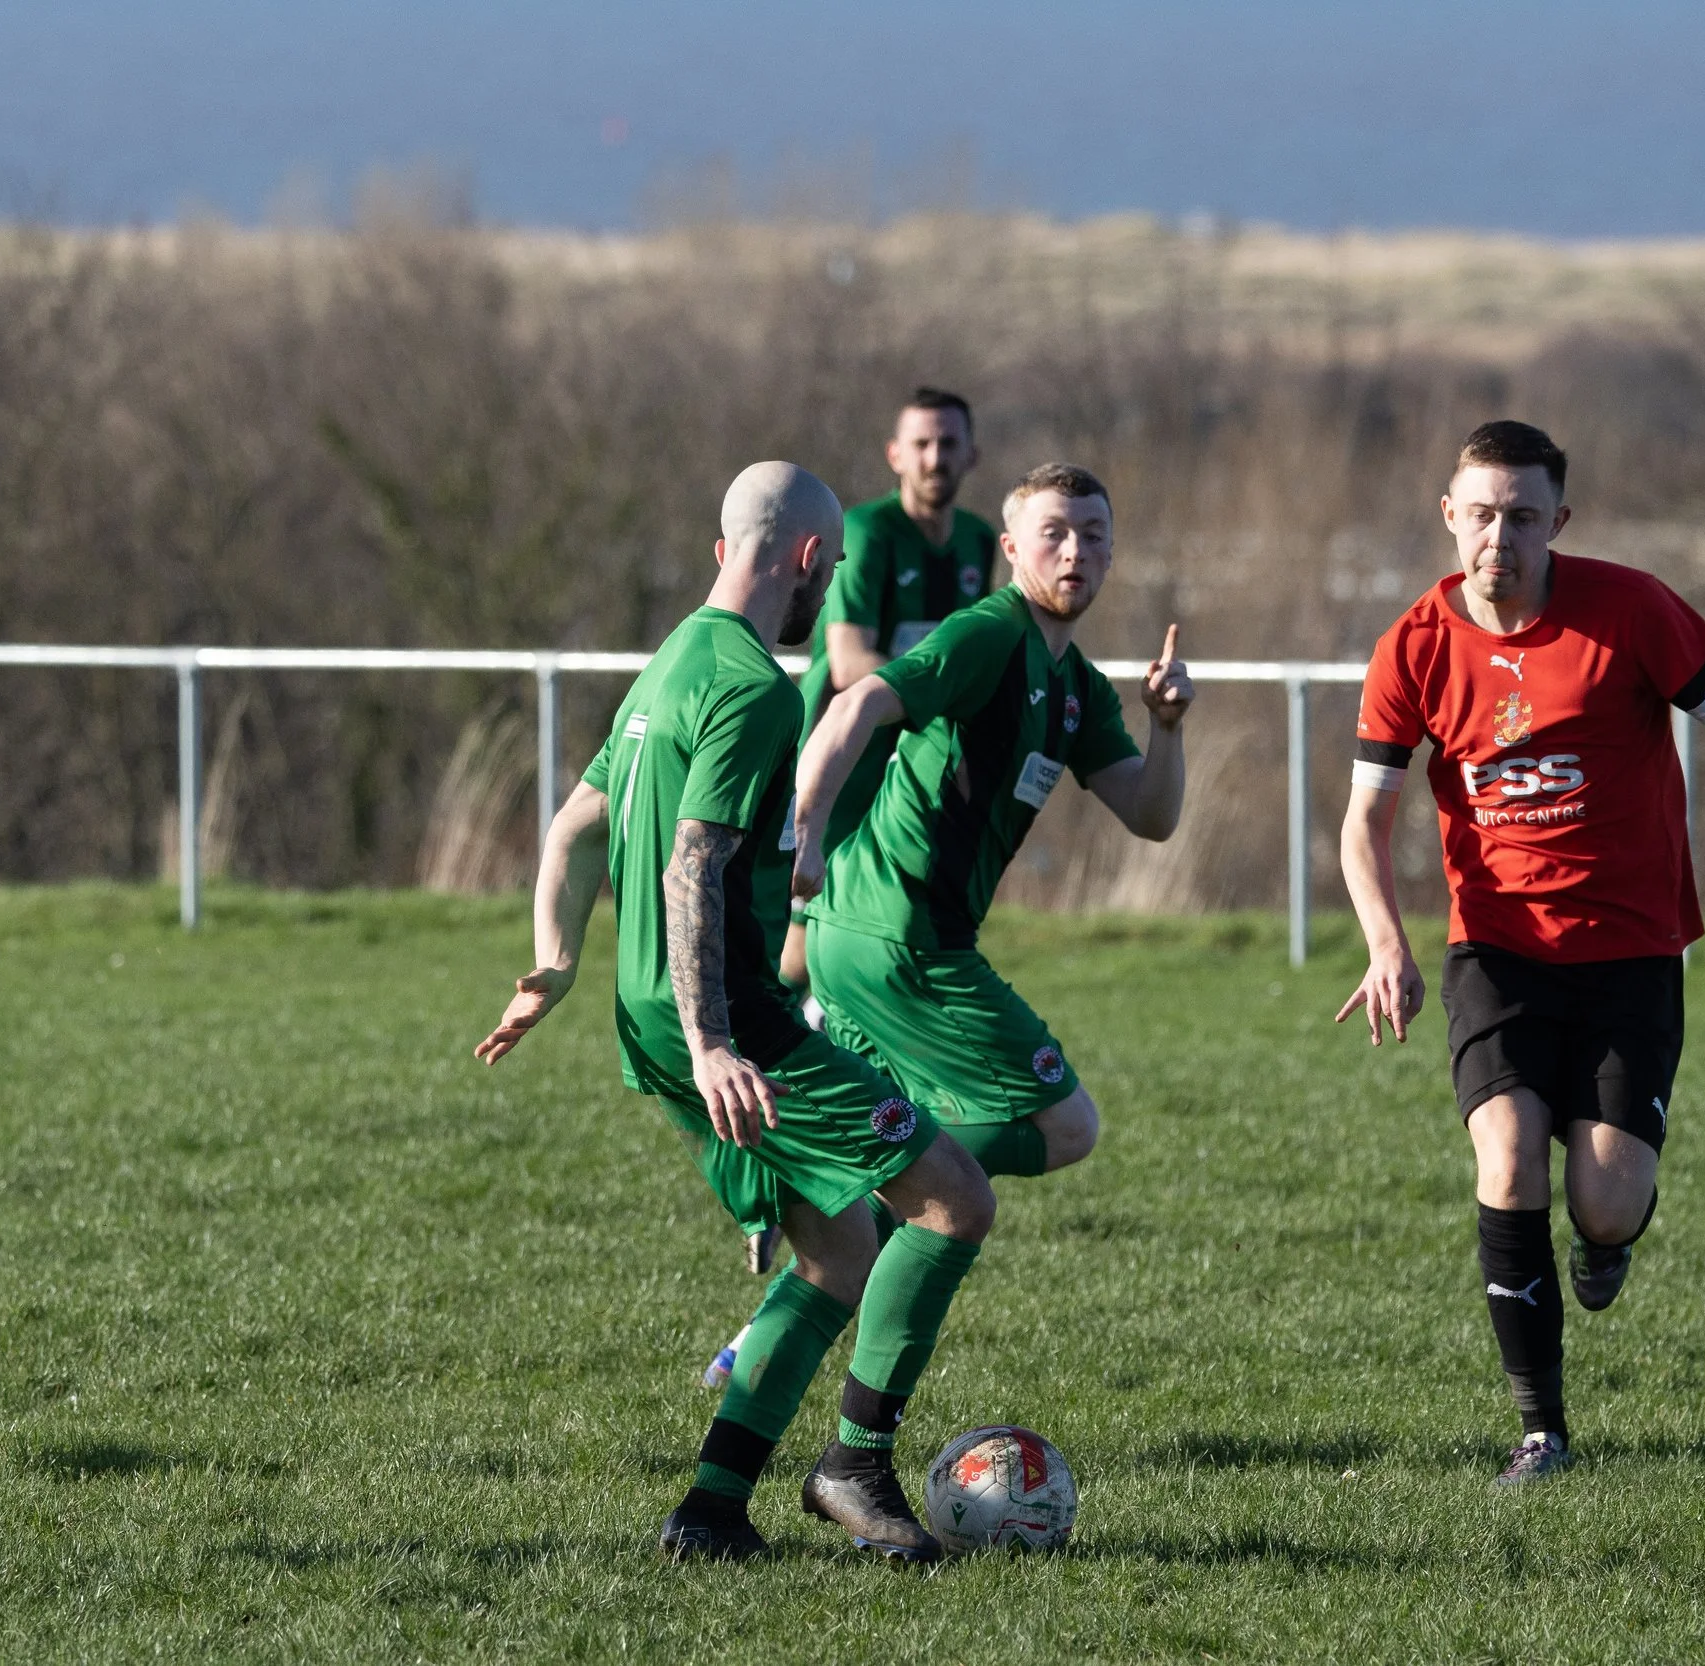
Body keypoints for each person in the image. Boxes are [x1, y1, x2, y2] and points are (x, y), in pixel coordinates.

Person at [1335, 421, 1705, 1486]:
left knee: (1603, 1198)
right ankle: (1541, 1430)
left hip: (1631, 953)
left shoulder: (1632, 609)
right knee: (1503, 1158)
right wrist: (1383, 942)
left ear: (1559, 521)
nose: (1500, 536)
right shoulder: (1411, 644)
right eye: (1481, 513)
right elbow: (1362, 823)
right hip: (1494, 951)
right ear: (1448, 515)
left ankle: (1610, 1231)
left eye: (1523, 515)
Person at [475, 462, 996, 1565]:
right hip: (726, 1018)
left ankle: (710, 1511)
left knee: (839, 1249)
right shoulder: (759, 689)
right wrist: (717, 1039)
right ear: (808, 560)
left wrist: (553, 964)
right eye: (832, 566)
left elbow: (574, 829)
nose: (832, 582)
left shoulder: (670, 662)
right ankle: (854, 1466)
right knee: (952, 1200)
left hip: (645, 1014)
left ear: (724, 550)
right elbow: (691, 863)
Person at [695, 462, 1190, 1383]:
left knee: (913, 1149)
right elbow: (858, 703)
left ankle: (761, 1333)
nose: (1075, 549)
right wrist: (806, 829)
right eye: (1053, 532)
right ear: (1010, 550)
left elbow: (1151, 814)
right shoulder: (989, 634)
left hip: (881, 939)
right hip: (898, 941)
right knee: (1065, 1126)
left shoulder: (1073, 681)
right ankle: (854, 1222)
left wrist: (1168, 728)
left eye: (1093, 532)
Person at [781, 386, 994, 995]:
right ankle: (748, 1057)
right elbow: (847, 660)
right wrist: (945, 703)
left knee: (902, 926)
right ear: (895, 454)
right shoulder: (870, 532)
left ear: (971, 455)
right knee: (802, 939)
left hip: (920, 763)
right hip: (844, 754)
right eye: (921, 444)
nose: (935, 458)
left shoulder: (978, 541)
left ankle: (865, 1064)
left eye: (948, 443)